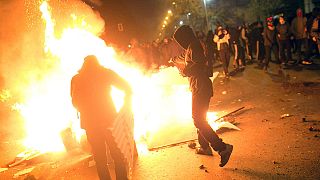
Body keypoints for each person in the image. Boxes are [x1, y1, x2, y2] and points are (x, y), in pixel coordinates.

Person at [171, 25, 233, 167]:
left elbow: (199, 63)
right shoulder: (191, 46)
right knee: (200, 118)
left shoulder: (194, 46)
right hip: (198, 87)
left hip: (201, 87)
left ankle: (222, 148)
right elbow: (185, 58)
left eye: (180, 40)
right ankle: (204, 147)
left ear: (185, 37)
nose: (180, 43)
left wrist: (185, 71)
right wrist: (175, 60)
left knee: (198, 120)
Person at [71, 55, 132, 180]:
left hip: (90, 124)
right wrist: (126, 104)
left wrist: (85, 111)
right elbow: (127, 87)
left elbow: (74, 102)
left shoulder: (76, 79)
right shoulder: (105, 73)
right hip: (109, 120)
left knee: (100, 159)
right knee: (117, 155)